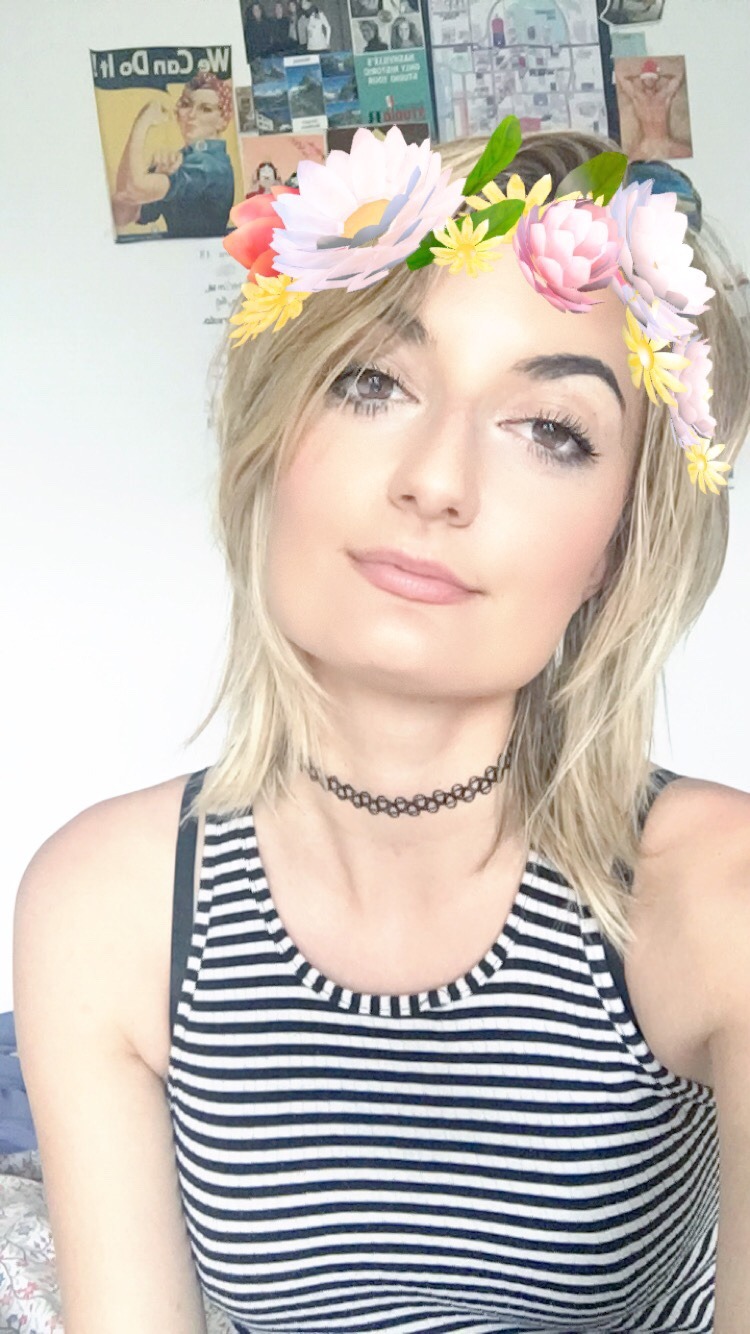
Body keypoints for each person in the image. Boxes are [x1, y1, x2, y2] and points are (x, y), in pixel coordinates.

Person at [14, 123, 750, 1332]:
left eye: (552, 430)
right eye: (373, 380)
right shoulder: (105, 901)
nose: (436, 480)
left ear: (617, 547)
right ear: (274, 441)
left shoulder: (718, 892)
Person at [111, 71, 235, 238]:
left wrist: (142, 123)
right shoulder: (179, 161)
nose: (192, 115)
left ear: (222, 120)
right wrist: (157, 175)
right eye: (186, 105)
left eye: (205, 109)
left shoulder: (210, 165)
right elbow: (121, 215)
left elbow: (135, 188)